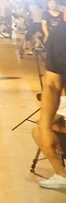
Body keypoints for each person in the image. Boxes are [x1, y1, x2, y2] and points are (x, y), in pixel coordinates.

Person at [34, 20, 66, 191]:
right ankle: (62, 175)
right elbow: (53, 84)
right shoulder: (61, 33)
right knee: (40, 130)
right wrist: (45, 126)